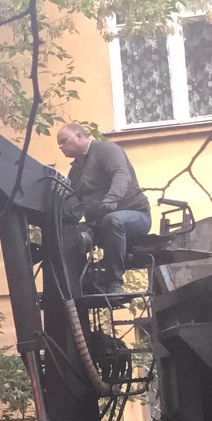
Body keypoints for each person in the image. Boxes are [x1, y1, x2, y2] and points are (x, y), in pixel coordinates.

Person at [55, 122, 150, 293]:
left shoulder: (107, 150)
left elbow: (121, 174)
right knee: (69, 233)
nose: (60, 146)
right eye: (59, 144)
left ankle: (115, 283)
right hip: (101, 224)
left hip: (136, 216)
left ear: (80, 136)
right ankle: (82, 283)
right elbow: (72, 202)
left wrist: (112, 198)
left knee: (112, 219)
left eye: (64, 141)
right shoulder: (75, 172)